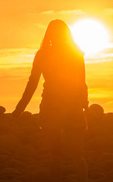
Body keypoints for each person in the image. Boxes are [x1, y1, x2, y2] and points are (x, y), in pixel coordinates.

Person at [12, 19, 89, 182]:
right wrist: (18, 110)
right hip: (59, 107)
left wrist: (85, 108)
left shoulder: (54, 54)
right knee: (66, 154)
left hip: (61, 107)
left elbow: (81, 83)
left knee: (62, 154)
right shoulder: (71, 54)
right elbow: (33, 83)